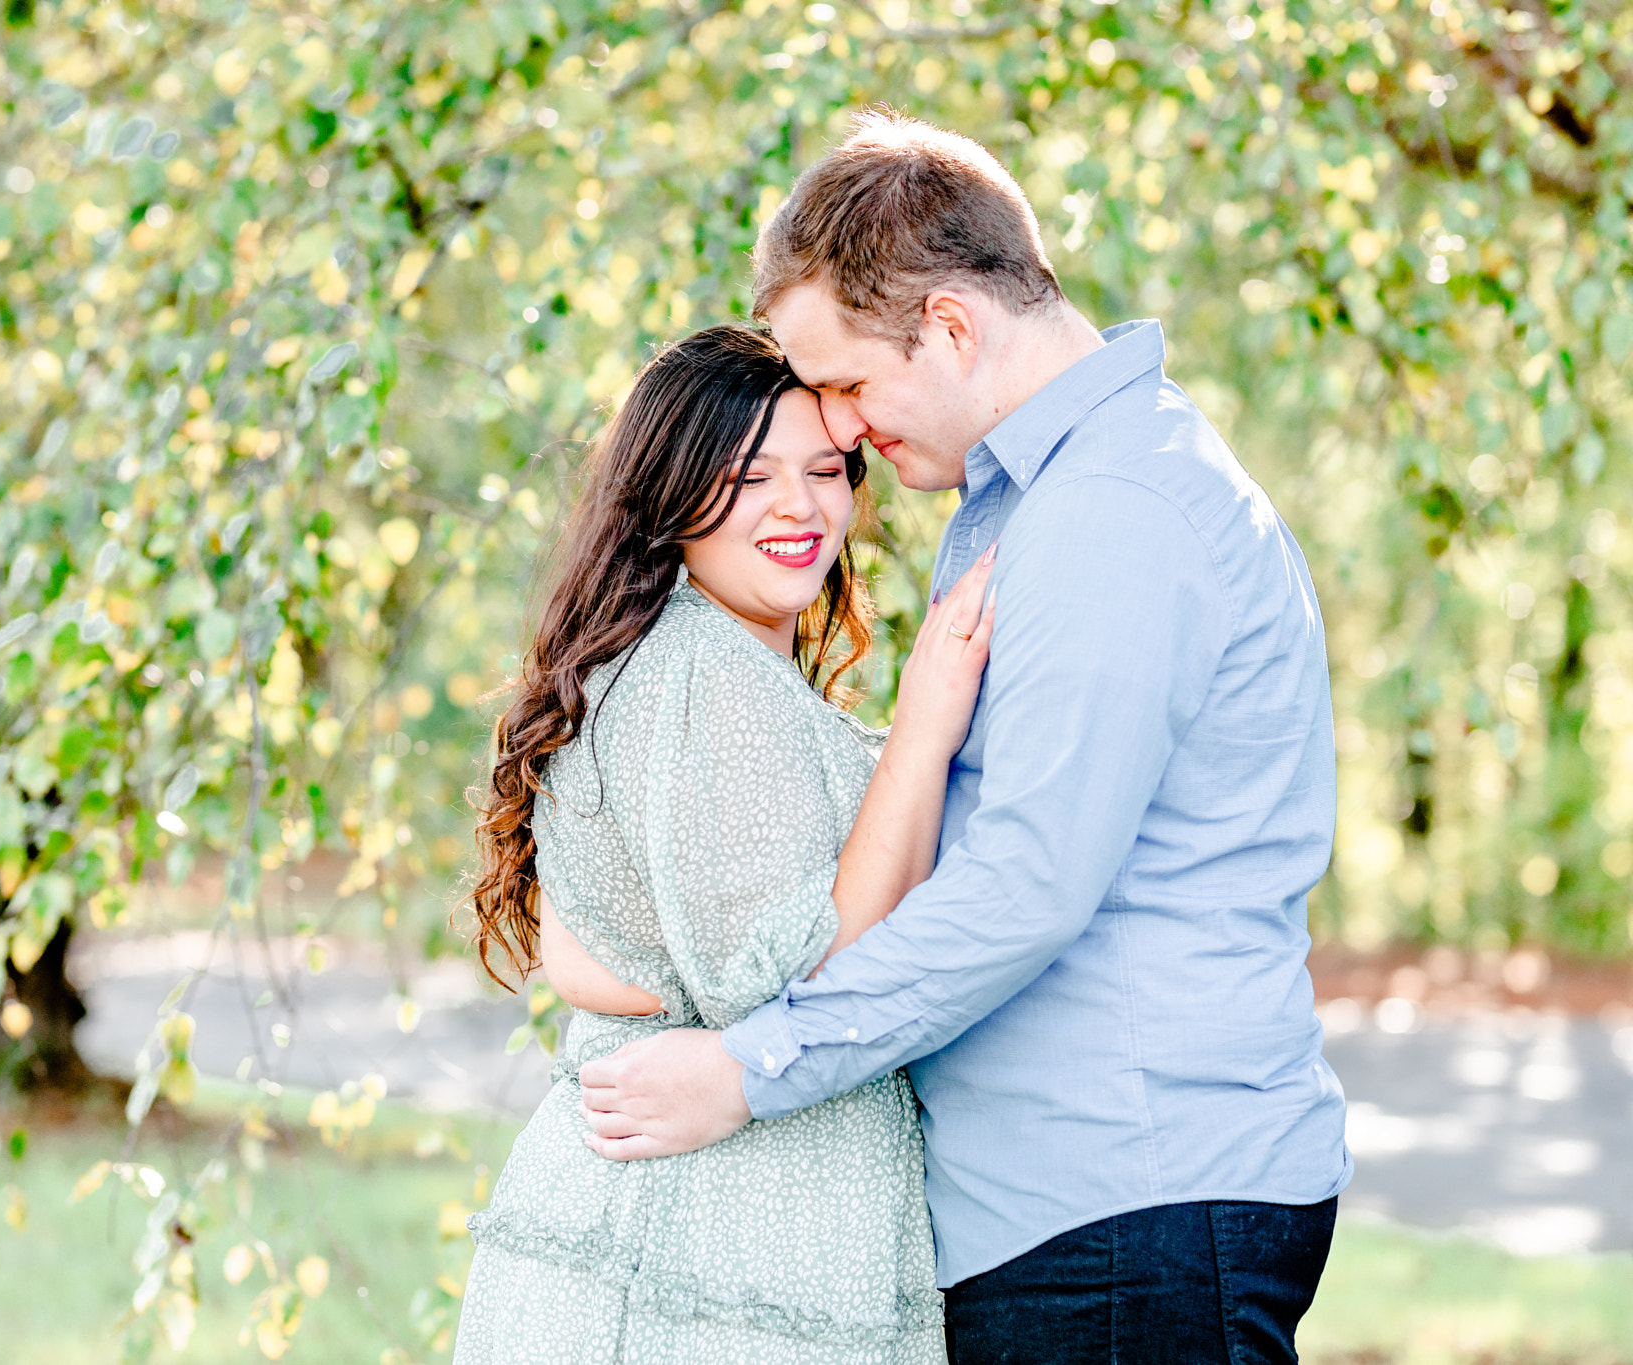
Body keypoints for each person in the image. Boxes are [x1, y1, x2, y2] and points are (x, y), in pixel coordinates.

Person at [572, 111, 1352, 1363]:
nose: (834, 426)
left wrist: (748, 1070)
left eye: (843, 382)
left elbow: (1025, 886)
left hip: (1123, 1214)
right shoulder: (1039, 500)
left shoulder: (1110, 514)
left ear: (947, 327)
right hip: (1076, 1217)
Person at [453, 323, 998, 1362]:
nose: (799, 508)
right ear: (672, 494)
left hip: (696, 1239)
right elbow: (790, 982)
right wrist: (923, 734)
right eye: (749, 477)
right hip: (706, 1257)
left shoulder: (674, 665)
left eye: (826, 470)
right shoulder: (700, 670)